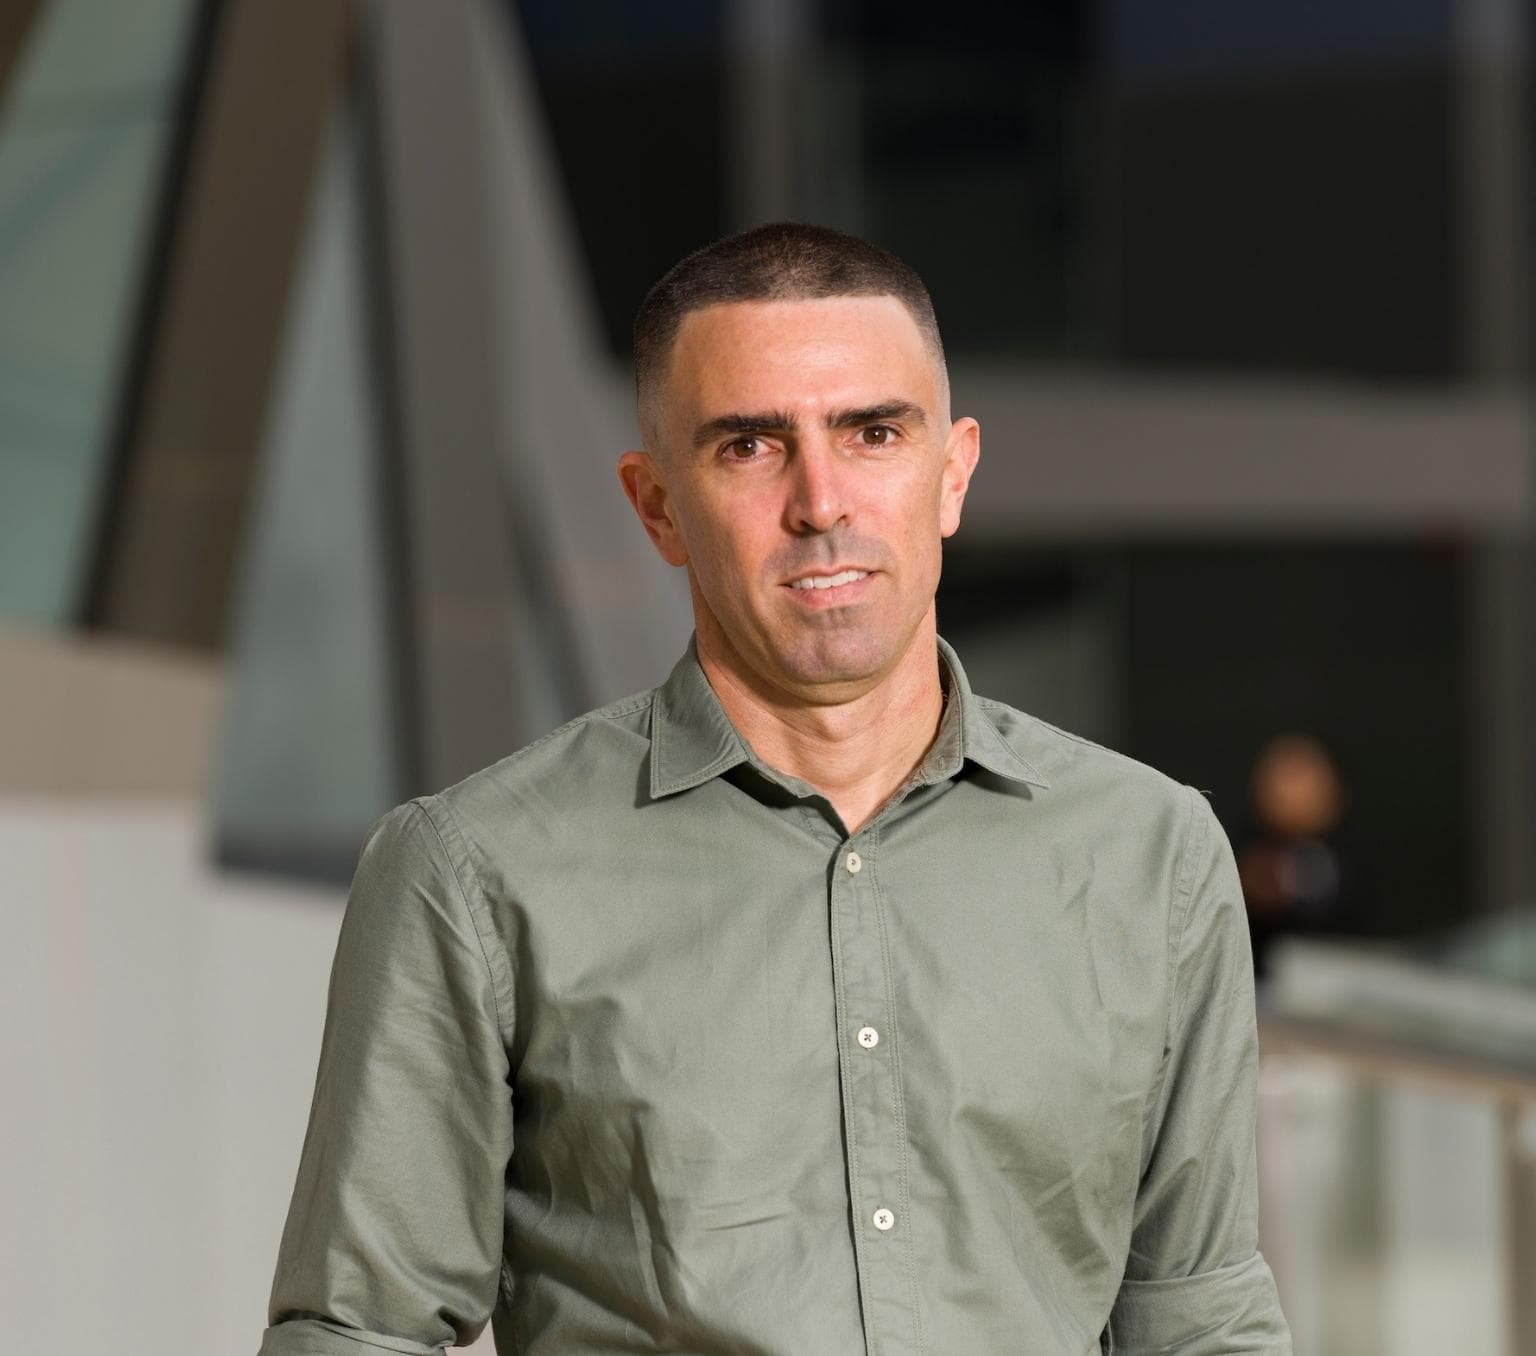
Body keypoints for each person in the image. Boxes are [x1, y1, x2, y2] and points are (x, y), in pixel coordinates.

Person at [259, 223, 1291, 1355]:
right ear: (656, 506)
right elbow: (359, 1332)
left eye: (873, 432)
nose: (820, 501)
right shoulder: (475, 871)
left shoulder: (1151, 851)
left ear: (951, 473)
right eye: (751, 446)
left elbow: (1198, 1315)